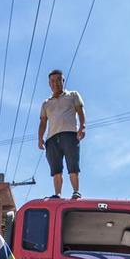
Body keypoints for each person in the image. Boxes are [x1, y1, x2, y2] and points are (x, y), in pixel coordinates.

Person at [37, 68, 85, 199]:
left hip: (69, 135)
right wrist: (40, 138)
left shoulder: (73, 95)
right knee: (56, 169)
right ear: (49, 84)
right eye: (52, 81)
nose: (56, 83)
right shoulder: (46, 103)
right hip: (52, 138)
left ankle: (76, 191)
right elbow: (42, 122)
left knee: (73, 165)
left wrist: (82, 126)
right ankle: (57, 194)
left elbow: (80, 111)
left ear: (63, 81)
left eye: (58, 80)